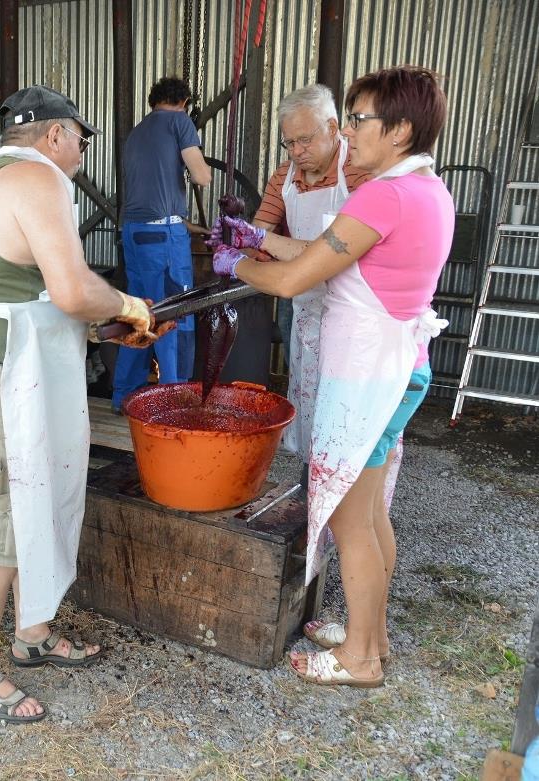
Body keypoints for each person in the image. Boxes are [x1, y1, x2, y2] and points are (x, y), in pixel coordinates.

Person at [0, 85, 169, 722]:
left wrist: (95, 320)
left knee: (31, 505)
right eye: (79, 137)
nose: (81, 149)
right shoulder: (38, 179)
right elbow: (74, 289)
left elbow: (33, 292)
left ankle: (31, 635)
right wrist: (128, 306)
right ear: (55, 135)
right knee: (0, 524)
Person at [209, 66, 454, 688]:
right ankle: (373, 634)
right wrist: (261, 237)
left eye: (359, 119)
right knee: (370, 514)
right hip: (399, 366)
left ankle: (362, 660)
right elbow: (321, 252)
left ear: (398, 129)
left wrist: (241, 261)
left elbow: (295, 278)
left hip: (364, 374)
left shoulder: (381, 194)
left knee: (348, 516)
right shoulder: (429, 191)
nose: (351, 131)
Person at [247, 84, 371, 467]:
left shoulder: (360, 172)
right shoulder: (284, 177)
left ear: (333, 128)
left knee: (342, 412)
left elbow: (349, 251)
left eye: (304, 139)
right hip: (303, 306)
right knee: (306, 393)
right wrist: (243, 243)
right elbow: (260, 233)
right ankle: (309, 479)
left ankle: (336, 485)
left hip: (352, 315)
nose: (297, 151)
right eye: (289, 143)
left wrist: (259, 251)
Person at [112, 77, 212, 413]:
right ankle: (175, 400)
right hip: (164, 241)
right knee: (174, 313)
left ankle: (124, 395)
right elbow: (202, 176)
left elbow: (156, 198)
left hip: (133, 234)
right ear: (184, 102)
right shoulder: (180, 122)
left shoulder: (137, 132)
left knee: (138, 314)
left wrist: (196, 227)